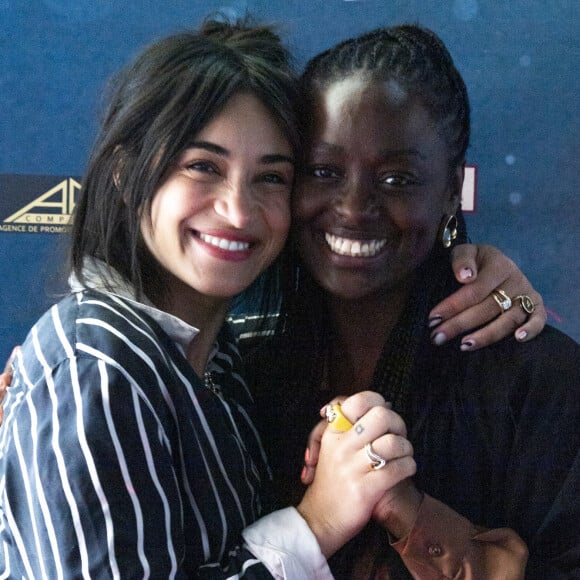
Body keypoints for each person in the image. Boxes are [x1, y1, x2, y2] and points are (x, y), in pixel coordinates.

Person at [0, 17, 551, 580]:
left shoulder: (233, 365)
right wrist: (316, 524)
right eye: (202, 167)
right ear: (124, 173)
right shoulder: (93, 363)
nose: (237, 211)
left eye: (271, 177)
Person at [239, 24, 580, 578]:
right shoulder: (242, 373)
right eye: (324, 172)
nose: (353, 207)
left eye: (397, 179)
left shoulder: (539, 383)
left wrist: (412, 517)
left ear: (450, 190)